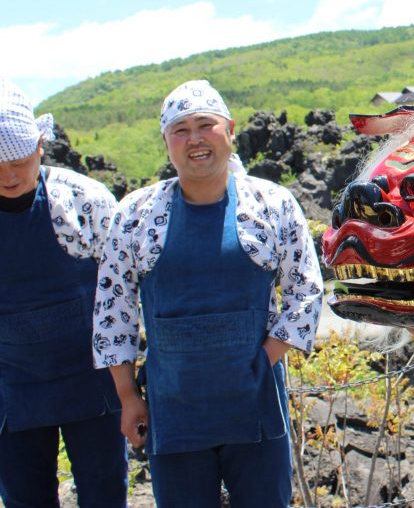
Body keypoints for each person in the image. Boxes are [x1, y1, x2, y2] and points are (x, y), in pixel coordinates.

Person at [92, 80, 323, 508]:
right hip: (173, 410)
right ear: (166, 143)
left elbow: (306, 291)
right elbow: (113, 309)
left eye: (206, 125)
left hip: (256, 405)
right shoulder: (136, 214)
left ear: (230, 130)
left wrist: (261, 359)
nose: (194, 139)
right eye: (180, 130)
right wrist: (127, 396)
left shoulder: (272, 204)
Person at [0, 78, 128, 508]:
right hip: (11, 389)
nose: (8, 175)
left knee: (105, 495)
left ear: (39, 144)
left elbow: (122, 296)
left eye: (16, 158)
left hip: (94, 383)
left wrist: (130, 386)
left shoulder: (83, 200)